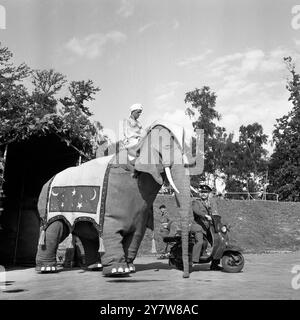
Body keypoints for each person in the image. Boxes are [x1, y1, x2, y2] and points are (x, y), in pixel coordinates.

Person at [191, 184, 222, 271]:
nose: (203, 194)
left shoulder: (210, 202)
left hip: (209, 227)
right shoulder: (195, 202)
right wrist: (205, 215)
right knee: (201, 242)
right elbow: (196, 211)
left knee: (217, 243)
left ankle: (215, 264)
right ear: (199, 193)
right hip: (198, 226)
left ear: (208, 193)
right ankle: (193, 261)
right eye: (202, 192)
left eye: (205, 192)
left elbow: (215, 212)